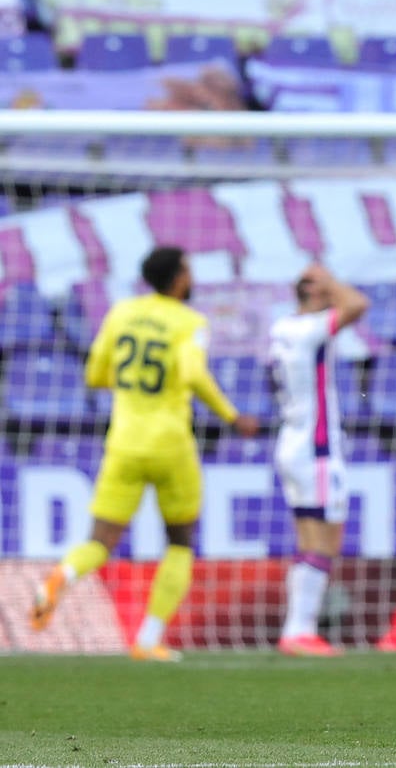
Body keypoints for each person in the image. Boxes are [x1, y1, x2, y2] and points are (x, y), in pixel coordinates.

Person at [31, 246, 260, 661]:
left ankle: (62, 573)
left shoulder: (122, 313)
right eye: (188, 271)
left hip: (124, 443)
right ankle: (148, 639)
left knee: (100, 541)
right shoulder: (190, 321)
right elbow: (192, 373)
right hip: (171, 445)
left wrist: (131, 388)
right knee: (180, 543)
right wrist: (231, 415)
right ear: (177, 279)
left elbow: (95, 373)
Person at [267, 265, 370, 657]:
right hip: (317, 448)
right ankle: (300, 631)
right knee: (327, 539)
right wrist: (329, 281)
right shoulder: (309, 331)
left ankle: (298, 630)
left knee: (308, 538)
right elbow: (358, 303)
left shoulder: (281, 329)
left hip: (291, 442)